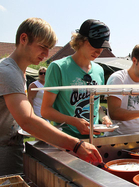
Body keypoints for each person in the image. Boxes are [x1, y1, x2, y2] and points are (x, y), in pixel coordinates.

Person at [0, 18, 102, 176]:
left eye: (49, 49)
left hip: (11, 150)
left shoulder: (18, 72)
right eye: (42, 47)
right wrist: (75, 144)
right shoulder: (8, 72)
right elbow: (28, 121)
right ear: (24, 39)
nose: (47, 54)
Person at [41, 19, 112, 139]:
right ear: (81, 41)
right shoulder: (58, 67)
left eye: (102, 47)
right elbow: (45, 110)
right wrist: (74, 121)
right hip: (67, 140)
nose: (99, 51)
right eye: (95, 45)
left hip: (93, 140)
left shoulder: (99, 70)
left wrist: (103, 117)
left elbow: (96, 104)